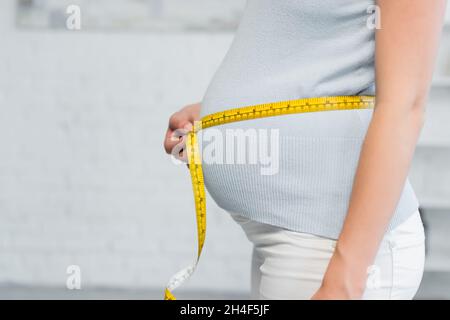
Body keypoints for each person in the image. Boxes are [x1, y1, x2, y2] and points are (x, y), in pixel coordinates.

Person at [163, 0, 447, 299]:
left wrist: (344, 282)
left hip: (332, 245)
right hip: (287, 235)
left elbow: (405, 107)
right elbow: (302, 50)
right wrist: (221, 115)